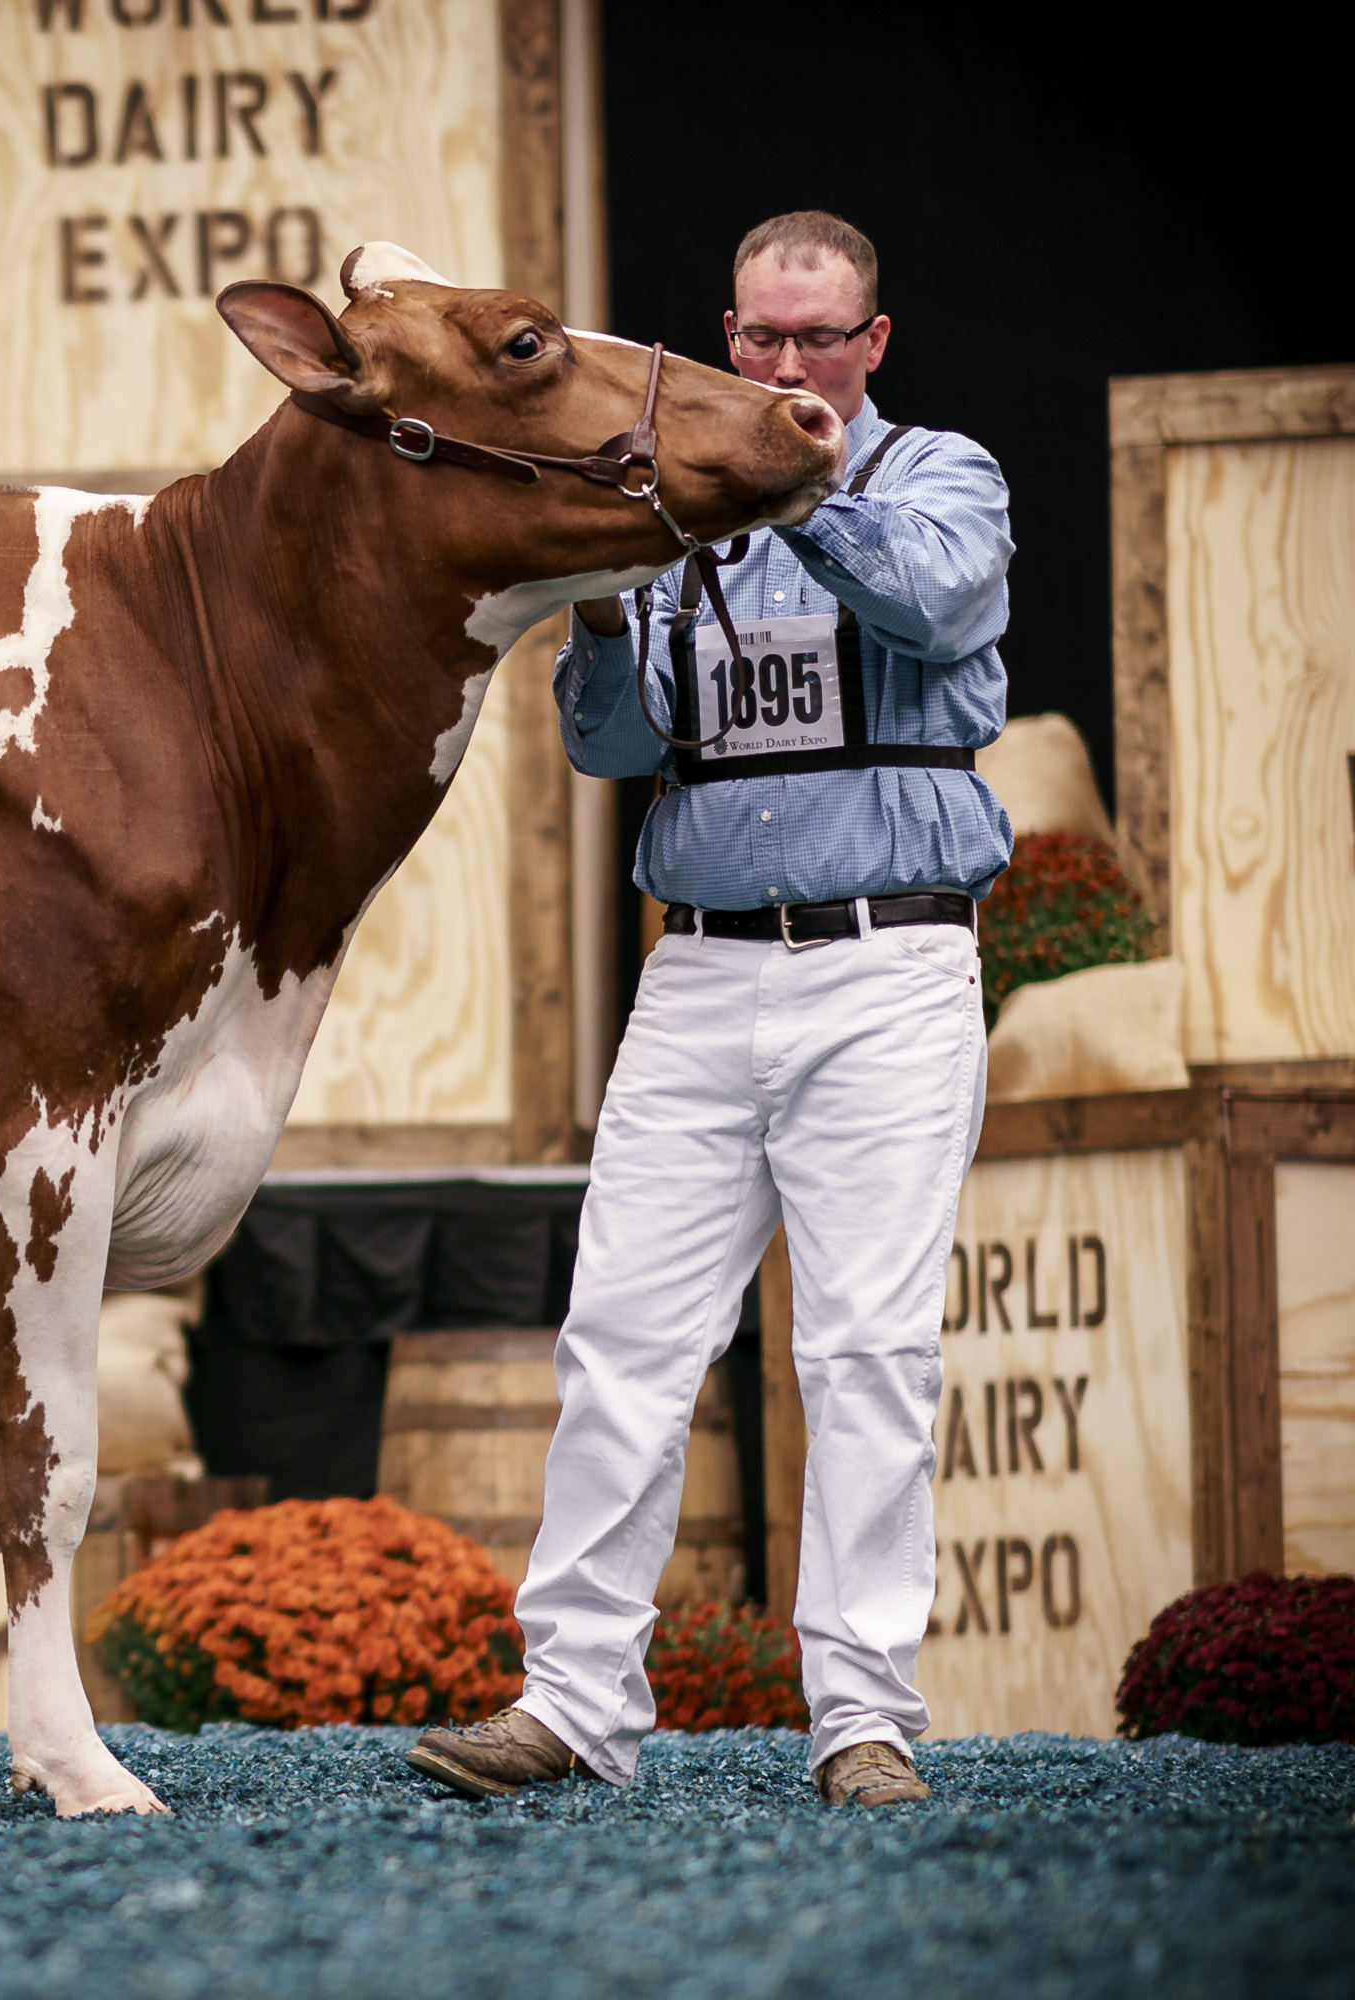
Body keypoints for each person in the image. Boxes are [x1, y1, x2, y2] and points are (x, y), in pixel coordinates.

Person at [406, 210, 1013, 1808]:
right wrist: (609, 598)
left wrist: (786, 487)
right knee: (620, 1337)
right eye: (757, 336)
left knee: (868, 1350)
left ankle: (862, 1718)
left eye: (817, 336)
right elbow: (613, 750)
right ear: (725, 336)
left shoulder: (941, 475)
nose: (785, 359)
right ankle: (572, 1702)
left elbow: (935, 607)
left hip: (889, 962)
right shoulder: (684, 517)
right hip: (701, 965)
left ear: (873, 345)